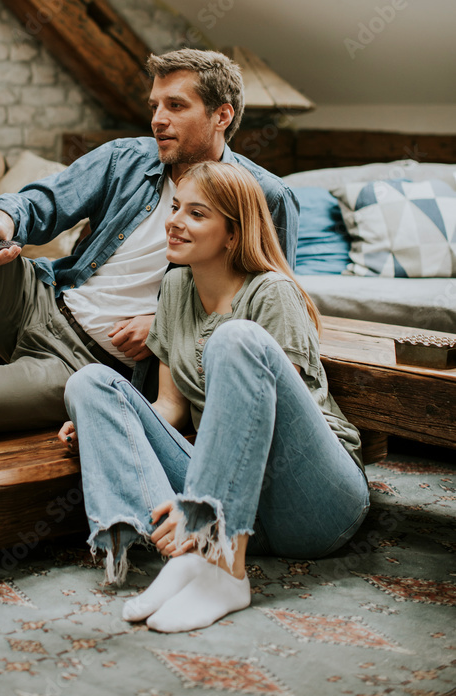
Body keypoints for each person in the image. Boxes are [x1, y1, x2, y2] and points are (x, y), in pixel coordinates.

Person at [0, 49, 300, 437]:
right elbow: (43, 201)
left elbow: (266, 311)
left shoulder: (265, 196)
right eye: (154, 105)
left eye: (176, 106)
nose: (157, 119)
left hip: (88, 364)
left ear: (221, 115)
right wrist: (2, 219)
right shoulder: (125, 159)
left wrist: (165, 325)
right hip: (39, 298)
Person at [59, 161, 369, 633]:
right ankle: (181, 549)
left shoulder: (272, 293)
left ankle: (221, 566)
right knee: (90, 383)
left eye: (197, 214)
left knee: (235, 339)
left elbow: (284, 427)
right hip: (228, 499)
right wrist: (113, 425)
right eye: (176, 206)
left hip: (312, 497)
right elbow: (170, 408)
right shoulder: (176, 287)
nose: (175, 220)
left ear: (232, 235)